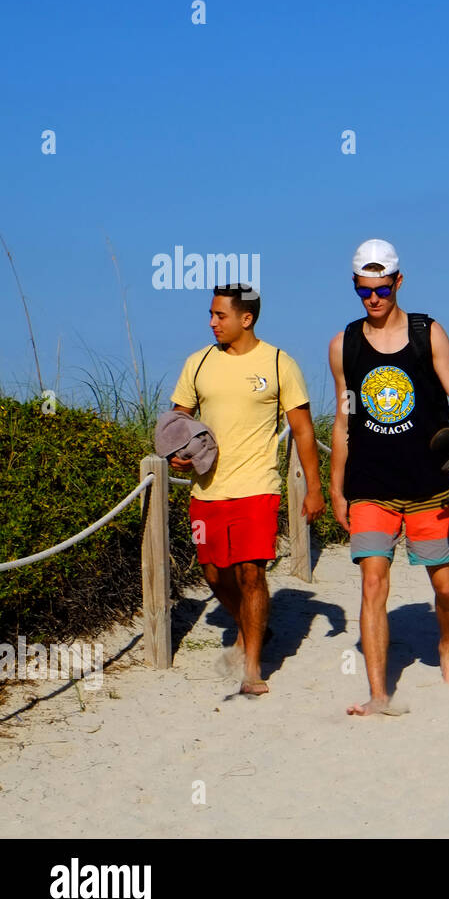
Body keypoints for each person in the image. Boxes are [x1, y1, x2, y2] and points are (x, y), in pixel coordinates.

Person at [328, 239, 449, 716]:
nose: (373, 299)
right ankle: (378, 693)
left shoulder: (428, 333)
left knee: (445, 587)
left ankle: (446, 647)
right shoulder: (344, 345)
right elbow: (342, 420)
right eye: (363, 291)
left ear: (398, 282)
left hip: (428, 484)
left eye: (381, 289)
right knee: (373, 583)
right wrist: (336, 488)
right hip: (370, 486)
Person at [169, 283, 325, 696]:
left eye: (220, 315)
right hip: (207, 489)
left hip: (258, 485)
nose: (212, 322)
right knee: (213, 573)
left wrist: (315, 488)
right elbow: (176, 419)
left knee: (251, 572)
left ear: (246, 318)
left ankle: (252, 667)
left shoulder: (278, 363)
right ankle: (250, 627)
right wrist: (174, 455)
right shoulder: (198, 363)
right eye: (212, 314)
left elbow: (304, 430)